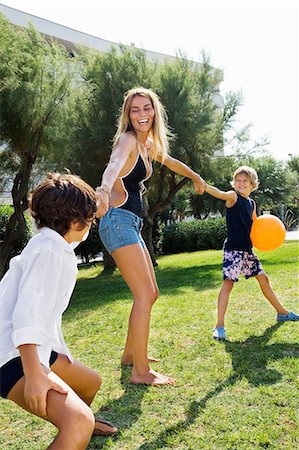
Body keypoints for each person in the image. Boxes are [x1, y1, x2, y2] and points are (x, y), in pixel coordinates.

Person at [96, 87, 205, 385]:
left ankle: (131, 355)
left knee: (150, 293)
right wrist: (104, 190)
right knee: (144, 294)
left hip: (129, 222)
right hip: (117, 220)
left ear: (154, 111)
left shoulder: (147, 146)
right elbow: (114, 164)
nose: (141, 114)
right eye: (134, 110)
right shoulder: (128, 140)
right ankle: (140, 372)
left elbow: (171, 162)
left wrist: (194, 176)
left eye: (146, 108)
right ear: (127, 115)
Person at [0, 173, 117, 450]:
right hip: (11, 353)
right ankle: (78, 426)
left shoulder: (52, 243)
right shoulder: (49, 253)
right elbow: (26, 317)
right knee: (78, 423)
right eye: (90, 217)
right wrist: (35, 376)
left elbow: (71, 238)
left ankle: (80, 422)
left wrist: (96, 203)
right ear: (76, 222)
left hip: (32, 348)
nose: (93, 220)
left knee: (90, 383)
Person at [203, 165, 299, 340]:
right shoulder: (233, 197)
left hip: (247, 250)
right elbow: (220, 194)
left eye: (245, 181)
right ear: (234, 183)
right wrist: (204, 186)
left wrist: (273, 236)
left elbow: (258, 227)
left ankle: (282, 312)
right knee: (228, 285)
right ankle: (219, 326)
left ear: (252, 184)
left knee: (264, 279)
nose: (241, 184)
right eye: (238, 180)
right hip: (233, 250)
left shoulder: (251, 203)